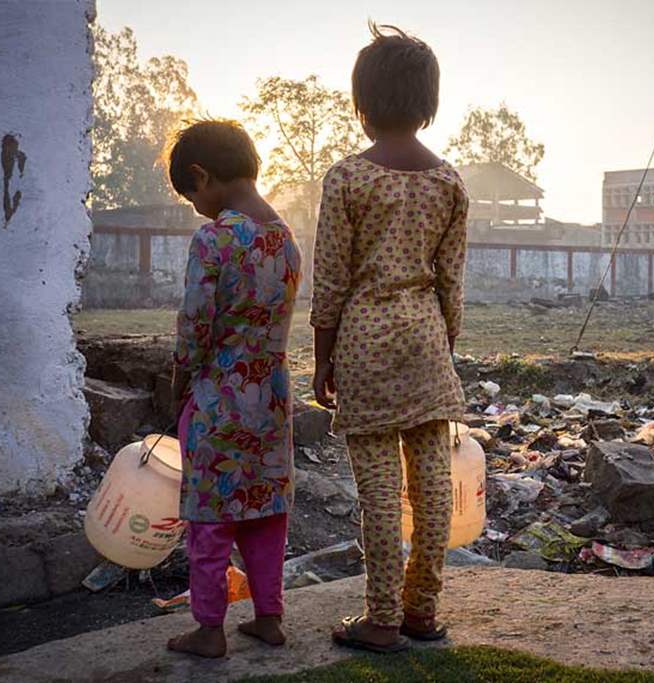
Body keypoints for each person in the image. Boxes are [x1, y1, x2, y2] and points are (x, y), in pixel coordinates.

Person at [311, 23, 469, 653]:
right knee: (431, 480)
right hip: (426, 335)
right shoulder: (449, 183)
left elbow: (330, 279)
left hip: (365, 341)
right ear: (428, 102)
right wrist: (443, 347)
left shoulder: (348, 178)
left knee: (378, 487)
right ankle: (422, 612)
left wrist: (322, 362)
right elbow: (452, 283)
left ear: (363, 102)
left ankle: (380, 618)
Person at [165, 120, 301, 658]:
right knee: (266, 511)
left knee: (210, 518)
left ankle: (209, 629)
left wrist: (179, 382)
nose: (197, 208)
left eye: (191, 195)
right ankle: (269, 617)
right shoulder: (286, 239)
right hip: (271, 395)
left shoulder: (214, 237)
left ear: (202, 175)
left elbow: (194, 324)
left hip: (220, 397)